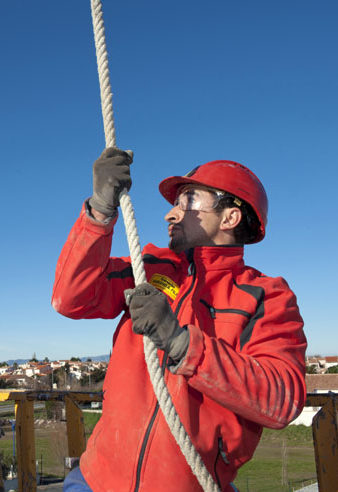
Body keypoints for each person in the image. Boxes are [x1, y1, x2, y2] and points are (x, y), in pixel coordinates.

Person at [52, 148, 307, 492]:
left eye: (188, 200)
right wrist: (98, 211)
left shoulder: (266, 296)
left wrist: (181, 343)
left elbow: (281, 399)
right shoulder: (152, 267)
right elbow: (71, 298)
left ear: (230, 218)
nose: (171, 215)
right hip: (95, 480)